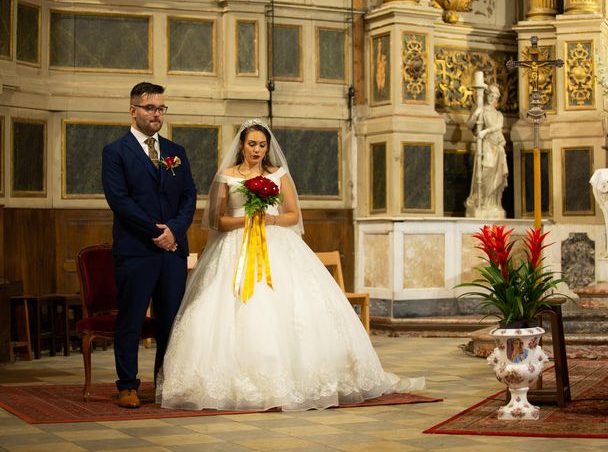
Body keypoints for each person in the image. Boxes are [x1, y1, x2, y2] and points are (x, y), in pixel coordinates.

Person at [157, 118, 424, 411]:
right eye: (251, 144)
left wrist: (269, 219)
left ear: (268, 147)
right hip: (235, 245)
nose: (256, 150)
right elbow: (217, 220)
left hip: (277, 243)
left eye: (262, 145)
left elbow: (293, 214)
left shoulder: (277, 174)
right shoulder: (227, 176)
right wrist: (246, 220)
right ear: (242, 145)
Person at [102, 82, 197, 408]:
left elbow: (189, 197)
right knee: (130, 319)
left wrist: (174, 230)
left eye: (160, 108)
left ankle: (164, 382)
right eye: (150, 108)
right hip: (137, 250)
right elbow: (119, 200)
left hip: (172, 252)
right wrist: (156, 232)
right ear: (133, 110)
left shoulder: (176, 152)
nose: (156, 114)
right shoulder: (116, 152)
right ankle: (127, 385)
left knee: (170, 320)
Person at [464, 83, 509, 218]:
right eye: (490, 95)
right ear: (487, 95)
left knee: (498, 175)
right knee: (484, 172)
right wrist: (476, 114)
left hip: (497, 146)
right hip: (486, 145)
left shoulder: (499, 114)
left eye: (495, 96)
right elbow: (469, 125)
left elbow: (498, 126)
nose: (492, 98)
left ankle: (494, 204)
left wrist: (484, 131)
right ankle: (481, 201)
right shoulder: (480, 109)